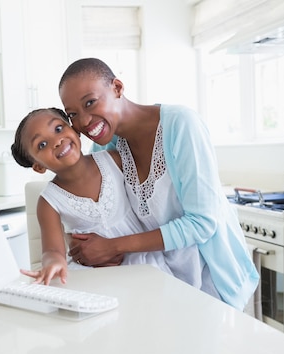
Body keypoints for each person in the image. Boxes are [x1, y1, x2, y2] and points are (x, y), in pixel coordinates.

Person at [58, 58, 259, 310]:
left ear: (117, 88)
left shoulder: (182, 124)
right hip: (157, 280)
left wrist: (112, 246)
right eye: (72, 114)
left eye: (90, 102)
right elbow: (83, 205)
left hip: (210, 279)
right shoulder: (106, 144)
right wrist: (79, 244)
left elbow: (202, 223)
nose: (84, 121)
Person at [11, 107, 202, 285]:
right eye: (42, 144)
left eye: (59, 128)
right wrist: (53, 262)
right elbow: (53, 250)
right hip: (95, 272)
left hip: (143, 259)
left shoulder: (114, 159)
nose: (57, 141)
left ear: (75, 130)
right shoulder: (48, 201)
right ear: (38, 166)